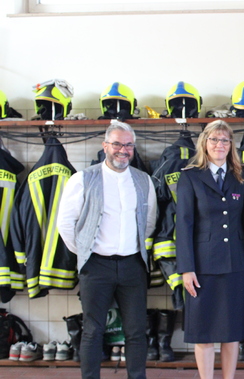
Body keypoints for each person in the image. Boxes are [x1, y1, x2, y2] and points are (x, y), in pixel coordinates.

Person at [57, 121, 157, 379]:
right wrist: (85, 253)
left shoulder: (144, 180)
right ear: (105, 146)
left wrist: (131, 247)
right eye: (117, 144)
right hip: (96, 266)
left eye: (128, 145)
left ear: (133, 148)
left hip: (132, 265)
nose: (122, 150)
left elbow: (149, 221)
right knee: (93, 329)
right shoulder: (83, 178)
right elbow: (65, 223)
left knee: (136, 331)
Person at [176, 120, 244, 379]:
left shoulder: (241, 177)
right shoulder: (190, 176)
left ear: (231, 145)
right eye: (214, 140)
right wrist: (186, 268)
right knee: (204, 332)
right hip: (202, 267)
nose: (219, 145)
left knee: (231, 332)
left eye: (224, 140)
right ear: (204, 143)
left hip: (235, 264)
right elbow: (184, 224)